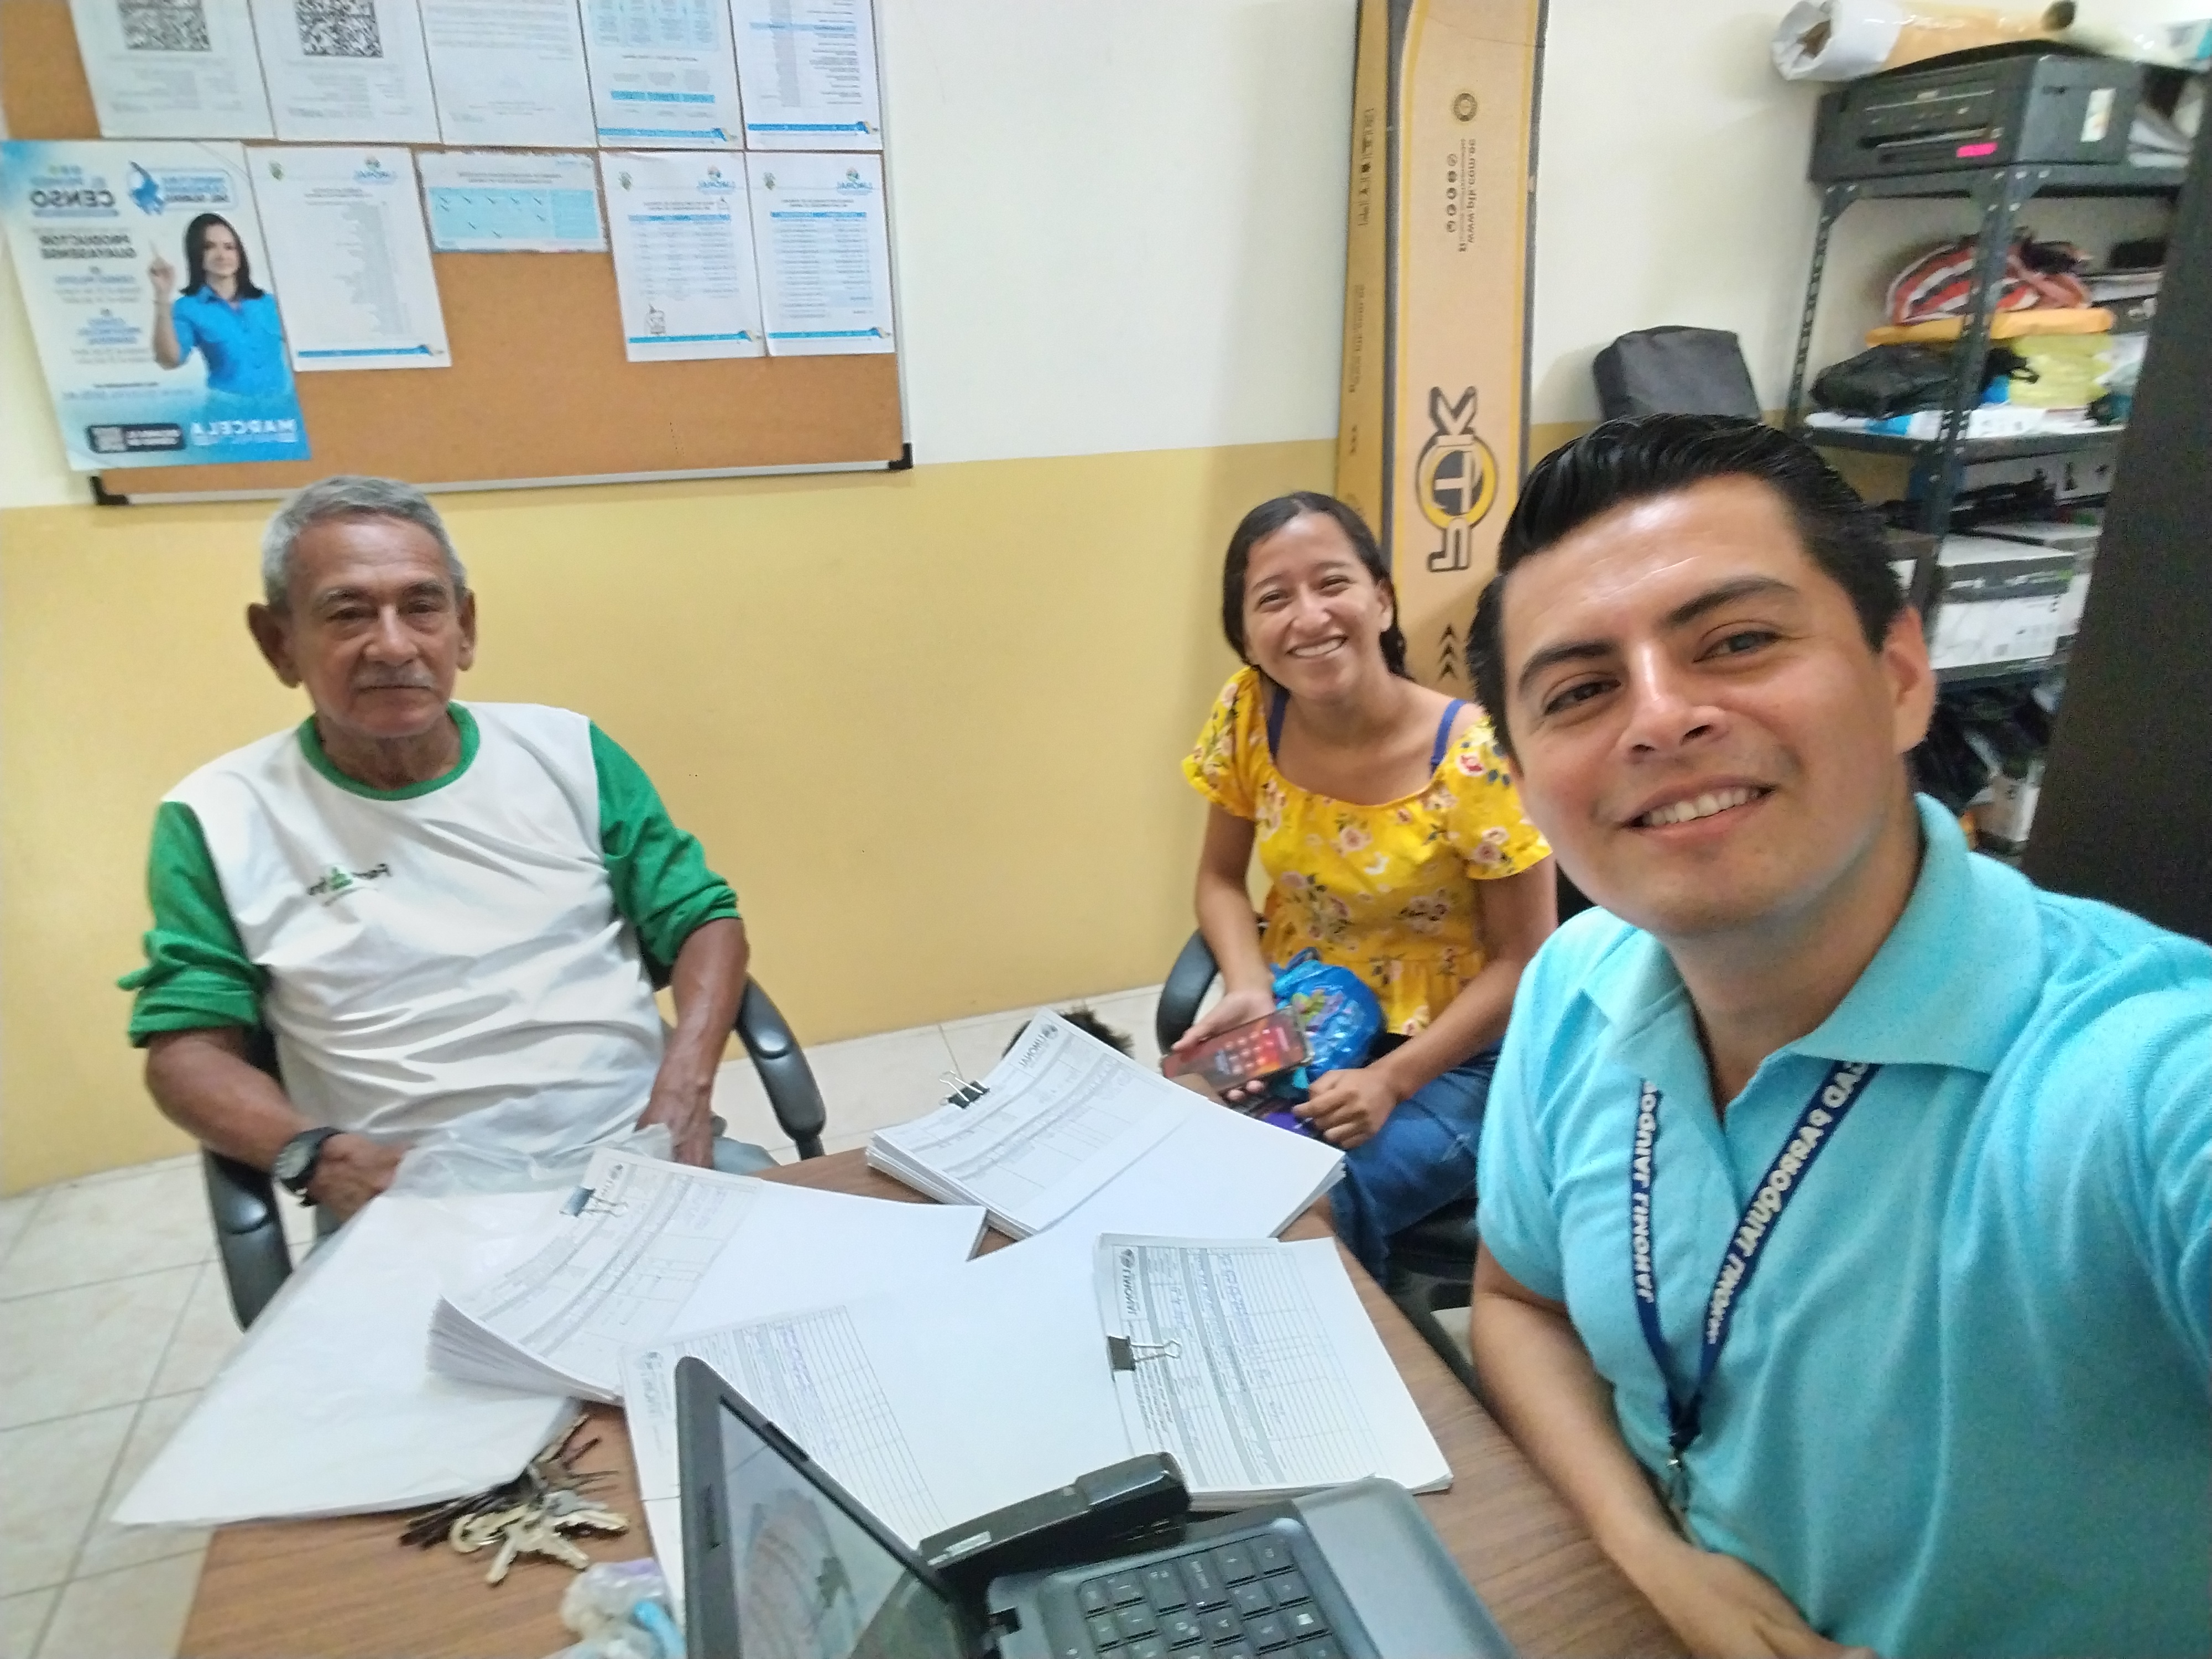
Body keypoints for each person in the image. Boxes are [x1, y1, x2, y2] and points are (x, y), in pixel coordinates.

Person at [1462, 415, 2209, 1658]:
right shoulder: (1575, 987)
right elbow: (1517, 1301)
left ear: (1901, 674)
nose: (1660, 719)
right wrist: (1647, 1555)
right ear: (1527, 783)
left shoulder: (2140, 1080)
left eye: (1737, 641)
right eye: (1581, 692)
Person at [122, 476, 758, 1223]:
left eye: (422, 606)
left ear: (465, 627)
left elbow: (702, 918)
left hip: (642, 1153)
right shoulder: (219, 815)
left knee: (831, 1273)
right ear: (278, 643)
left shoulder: (568, 752)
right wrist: (314, 1154)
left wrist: (685, 1088)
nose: (393, 646)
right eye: (348, 613)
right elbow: (187, 1051)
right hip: (410, 1200)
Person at [1172, 491, 1556, 1280]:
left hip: (1455, 1056)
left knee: (1302, 1200)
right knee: (1173, 1138)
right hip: (1304, 1008)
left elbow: (1525, 960)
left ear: (1381, 599)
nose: (1308, 617)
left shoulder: (1473, 756)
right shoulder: (1249, 715)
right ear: (1245, 634)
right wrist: (1248, 986)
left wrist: (1390, 1080)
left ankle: (1329, 1344)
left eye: (1332, 584)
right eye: (1273, 599)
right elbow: (1218, 879)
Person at [149, 212, 291, 399]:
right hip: (227, 409)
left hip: (281, 407)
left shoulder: (269, 302)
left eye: (229, 247)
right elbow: (170, 360)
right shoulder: (188, 308)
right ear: (196, 254)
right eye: (209, 247)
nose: (222, 255)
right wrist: (162, 295)